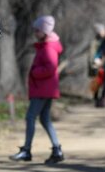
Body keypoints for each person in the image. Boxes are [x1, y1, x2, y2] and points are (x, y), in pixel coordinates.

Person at [8, 15, 64, 164]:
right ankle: (57, 150)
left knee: (30, 117)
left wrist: (34, 72)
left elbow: (51, 67)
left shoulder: (48, 47)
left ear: (44, 31)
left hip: (42, 89)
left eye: (37, 30)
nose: (35, 33)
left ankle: (27, 150)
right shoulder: (46, 45)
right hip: (44, 89)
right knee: (45, 119)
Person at [88, 23, 105, 107]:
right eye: (102, 30)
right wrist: (94, 63)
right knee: (97, 83)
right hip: (97, 65)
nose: (104, 32)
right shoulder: (95, 42)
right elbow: (92, 54)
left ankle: (102, 100)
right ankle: (96, 100)